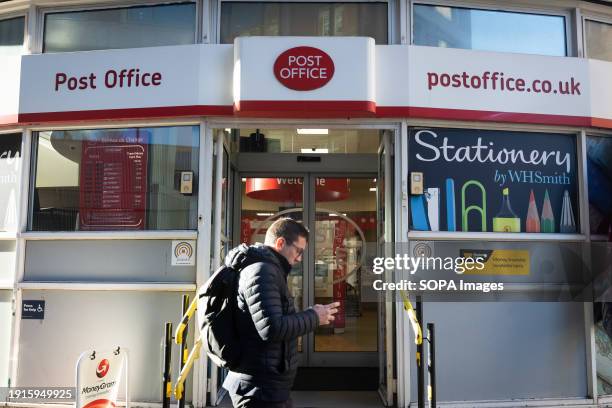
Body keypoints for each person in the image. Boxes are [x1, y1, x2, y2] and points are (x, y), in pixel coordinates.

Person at [222, 217, 339, 408]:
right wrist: (314, 316)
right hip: (259, 389)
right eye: (298, 251)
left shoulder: (269, 269)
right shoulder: (262, 271)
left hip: (266, 385)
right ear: (280, 243)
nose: (300, 258)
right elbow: (272, 328)